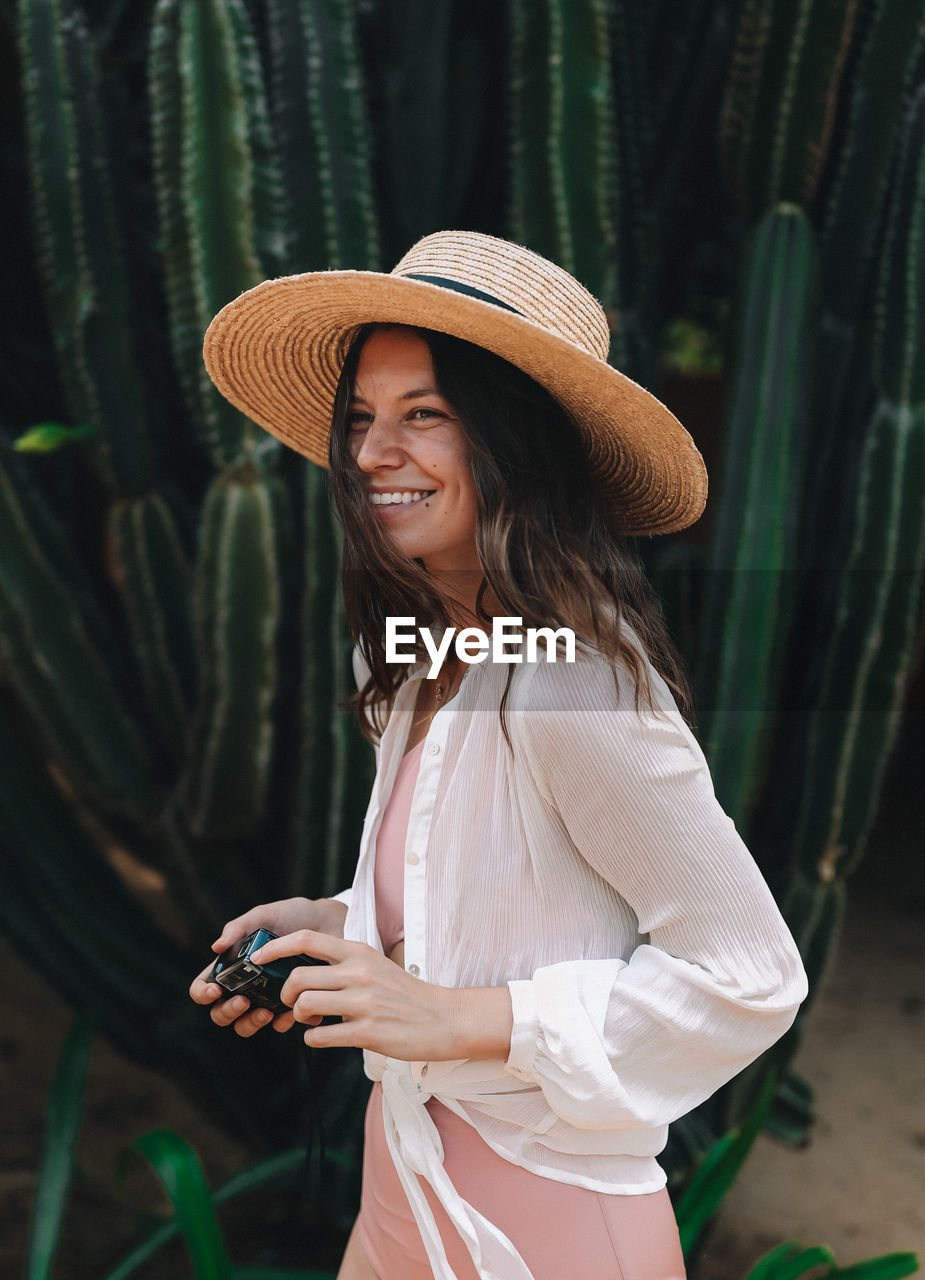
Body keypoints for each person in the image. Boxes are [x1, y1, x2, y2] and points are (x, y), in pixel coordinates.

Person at [191, 231, 808, 1280]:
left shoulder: (573, 680)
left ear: (517, 445)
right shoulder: (421, 656)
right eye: (359, 420)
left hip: (552, 1221)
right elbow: (493, 893)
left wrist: (449, 1016)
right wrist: (337, 929)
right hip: (404, 1181)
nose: (372, 454)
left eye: (423, 414)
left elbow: (750, 975)